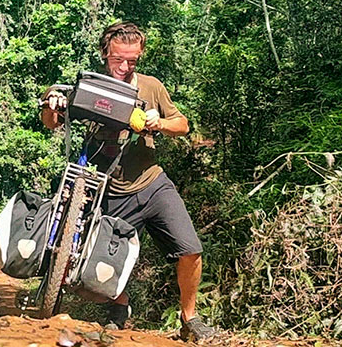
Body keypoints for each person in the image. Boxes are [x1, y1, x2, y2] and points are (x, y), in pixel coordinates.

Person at [40, 22, 218, 341]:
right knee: (94, 263)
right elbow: (51, 122)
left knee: (190, 249)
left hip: (152, 182)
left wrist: (159, 122)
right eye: (117, 59)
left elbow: (183, 125)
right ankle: (119, 308)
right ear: (104, 53)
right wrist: (51, 103)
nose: (124, 67)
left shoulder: (150, 87)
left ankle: (190, 318)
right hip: (108, 189)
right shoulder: (92, 86)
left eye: (132, 61)